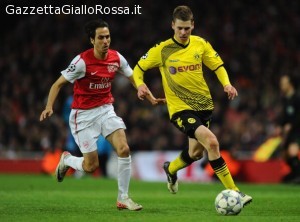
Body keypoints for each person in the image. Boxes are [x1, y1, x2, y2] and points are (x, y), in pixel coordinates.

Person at [132, 5, 252, 206]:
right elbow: (138, 68)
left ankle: (171, 169)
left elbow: (217, 65)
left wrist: (227, 84)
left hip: (204, 106)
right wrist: (141, 84)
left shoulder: (200, 44)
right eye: (179, 28)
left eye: (187, 28)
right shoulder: (161, 50)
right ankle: (235, 191)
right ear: (172, 26)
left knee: (196, 153)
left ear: (193, 25)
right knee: (212, 142)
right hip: (180, 109)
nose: (183, 32)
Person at [40, 19, 142, 211]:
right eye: (101, 37)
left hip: (105, 110)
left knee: (124, 149)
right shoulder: (81, 62)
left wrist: (143, 91)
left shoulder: (116, 58)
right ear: (92, 40)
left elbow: (132, 75)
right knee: (91, 166)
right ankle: (67, 160)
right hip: (83, 116)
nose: (106, 41)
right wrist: (49, 106)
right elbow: (57, 84)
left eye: (108, 37)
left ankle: (123, 198)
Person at [278, 75, 300, 183]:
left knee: (292, 152)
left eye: (283, 83)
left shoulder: (297, 97)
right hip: (288, 132)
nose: (281, 85)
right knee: (285, 155)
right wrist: (280, 126)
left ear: (290, 84)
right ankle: (294, 174)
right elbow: (284, 116)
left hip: (297, 130)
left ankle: (297, 176)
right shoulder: (285, 98)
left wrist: (291, 124)